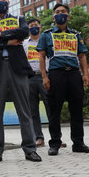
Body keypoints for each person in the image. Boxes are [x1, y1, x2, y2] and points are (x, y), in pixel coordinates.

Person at [0, 0, 42, 163]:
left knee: (24, 110)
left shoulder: (19, 19)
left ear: (8, 2)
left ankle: (30, 149)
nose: (1, 1)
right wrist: (8, 41)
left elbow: (23, 32)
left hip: (18, 68)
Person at [36, 3, 89, 155]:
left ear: (68, 16)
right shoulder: (46, 35)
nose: (60, 14)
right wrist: (44, 76)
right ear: (54, 16)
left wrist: (85, 74)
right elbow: (41, 56)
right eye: (57, 12)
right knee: (55, 111)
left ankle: (78, 143)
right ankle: (54, 143)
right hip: (56, 75)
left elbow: (82, 56)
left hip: (74, 75)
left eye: (63, 12)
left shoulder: (75, 35)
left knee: (77, 110)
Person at [22, 18, 50, 147]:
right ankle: (39, 138)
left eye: (36, 25)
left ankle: (56, 138)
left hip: (45, 77)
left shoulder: (47, 41)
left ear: (40, 27)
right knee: (33, 111)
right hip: (30, 78)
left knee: (51, 107)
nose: (34, 27)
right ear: (28, 29)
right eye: (31, 26)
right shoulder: (24, 44)